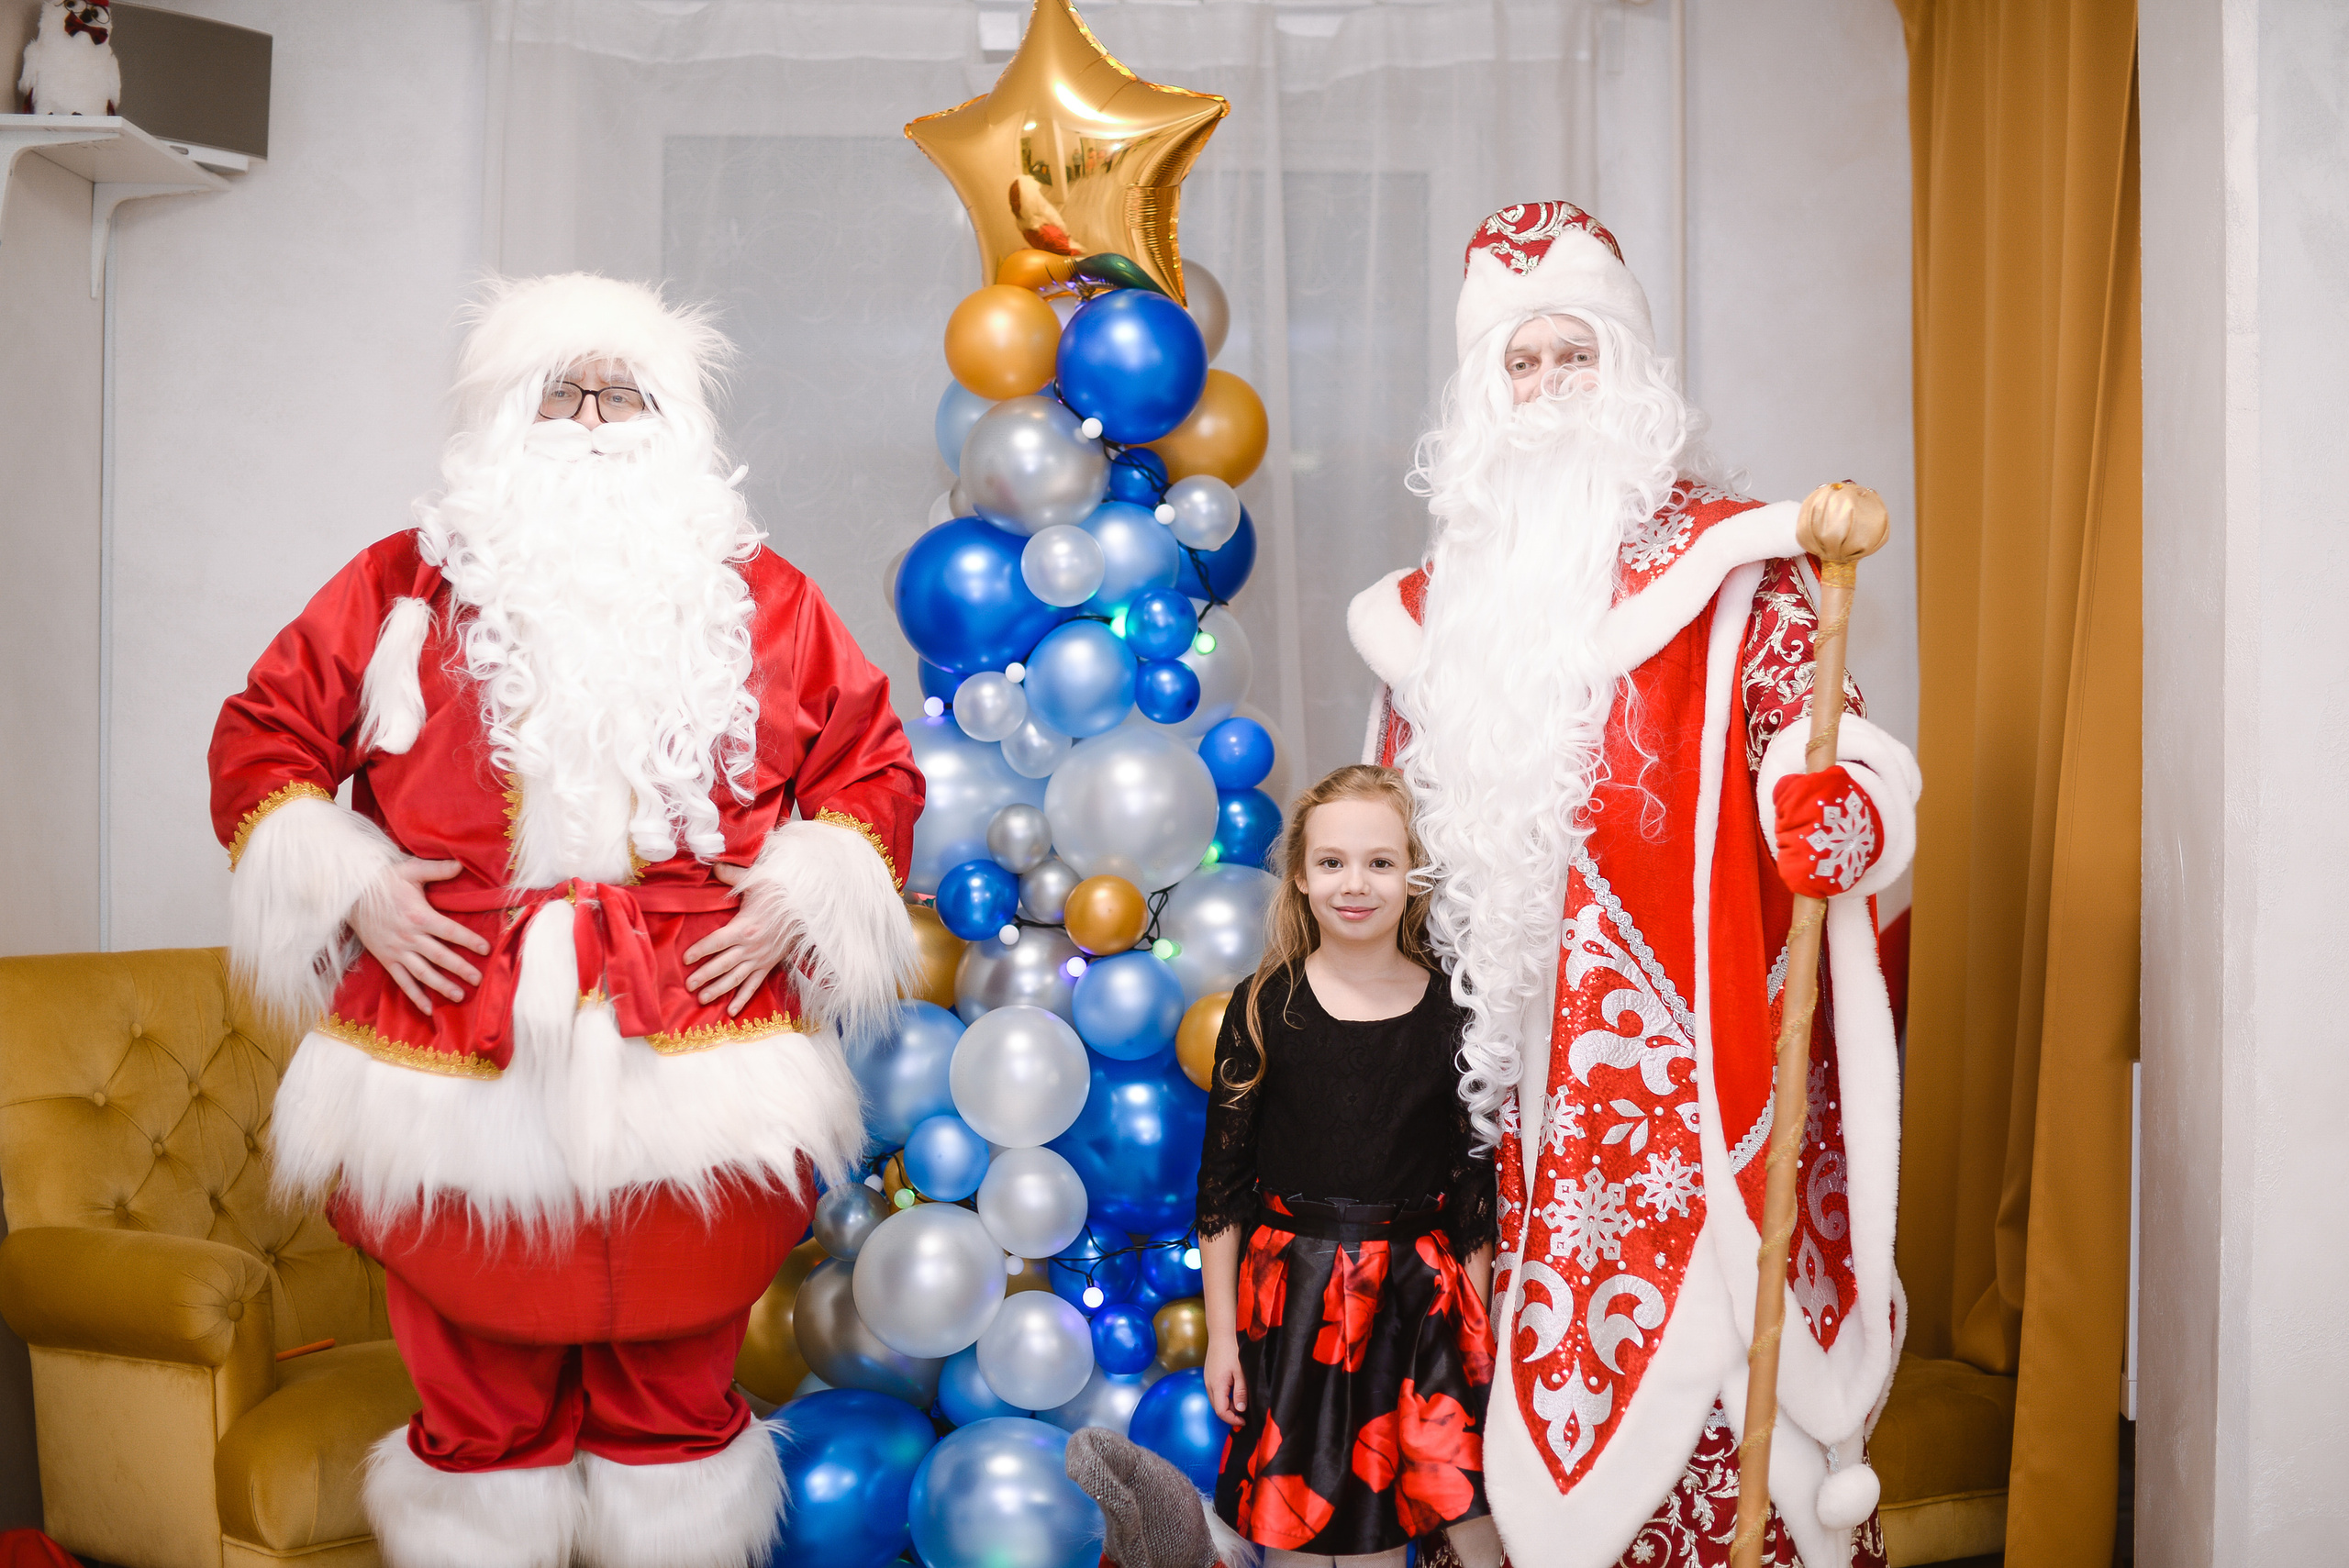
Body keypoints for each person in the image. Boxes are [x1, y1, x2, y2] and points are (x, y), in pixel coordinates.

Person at [207, 272, 922, 1568]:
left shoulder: (761, 598)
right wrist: (353, 880)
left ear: (679, 423)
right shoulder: (395, 590)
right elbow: (263, 744)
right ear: (502, 417)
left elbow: (873, 769)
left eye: (625, 393)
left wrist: (797, 895)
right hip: (453, 1033)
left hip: (698, 1042)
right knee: (479, 1386)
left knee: (675, 1385)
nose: (595, 421)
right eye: (564, 391)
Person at [1346, 203, 1918, 1568]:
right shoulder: (1430, 618)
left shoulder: (1742, 573)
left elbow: (1829, 749)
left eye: (1574, 359)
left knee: (1724, 1376)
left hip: (1704, 1059)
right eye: (1519, 366)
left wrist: (1841, 813)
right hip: (1505, 1089)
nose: (1546, 394)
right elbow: (1387, 852)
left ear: (1631, 374)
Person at [1196, 764, 1503, 1568]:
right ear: (1300, 875)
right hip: (1292, 1302)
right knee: (1295, 1524)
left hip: (1415, 1305)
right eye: (1332, 862)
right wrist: (1223, 1337)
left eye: (1379, 861)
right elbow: (1221, 1191)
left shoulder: (1458, 1013)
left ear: (1414, 875)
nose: (1354, 883)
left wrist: (1475, 1338)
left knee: (1385, 1532)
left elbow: (1474, 1196)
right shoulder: (1264, 1005)